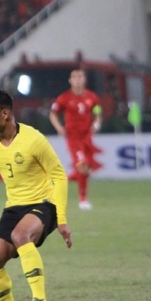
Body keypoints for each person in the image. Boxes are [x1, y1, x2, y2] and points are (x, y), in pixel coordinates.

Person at [0, 89, 72, 301]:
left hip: (43, 204)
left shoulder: (33, 139)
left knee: (20, 235)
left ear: (5, 114)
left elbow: (59, 176)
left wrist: (61, 219)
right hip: (14, 207)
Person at [49, 69, 102, 210]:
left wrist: (97, 123)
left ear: (84, 80)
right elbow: (53, 114)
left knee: (87, 169)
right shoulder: (64, 98)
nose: (78, 80)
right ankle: (83, 200)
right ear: (70, 81)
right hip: (73, 137)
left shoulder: (92, 97)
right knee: (81, 165)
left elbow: (97, 112)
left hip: (87, 137)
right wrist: (59, 128)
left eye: (80, 77)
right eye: (75, 78)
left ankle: (58, 184)